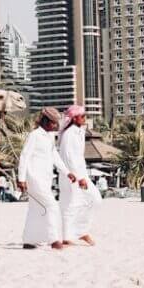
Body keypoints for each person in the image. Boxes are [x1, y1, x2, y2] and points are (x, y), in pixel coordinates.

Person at [17, 107, 76, 250]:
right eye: (53, 123)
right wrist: (21, 179)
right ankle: (54, 240)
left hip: (45, 178)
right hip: (34, 178)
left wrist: (67, 172)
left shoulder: (49, 137)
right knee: (52, 206)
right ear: (45, 121)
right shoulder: (34, 135)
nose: (55, 126)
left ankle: (29, 241)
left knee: (35, 209)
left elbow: (55, 156)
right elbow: (24, 156)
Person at [58, 105, 102, 246]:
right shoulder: (69, 134)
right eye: (82, 116)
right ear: (75, 118)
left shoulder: (79, 131)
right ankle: (68, 237)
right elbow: (68, 157)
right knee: (69, 205)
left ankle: (81, 231)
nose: (85, 118)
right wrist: (78, 177)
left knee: (95, 200)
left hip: (81, 174)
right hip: (71, 175)